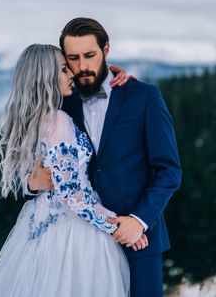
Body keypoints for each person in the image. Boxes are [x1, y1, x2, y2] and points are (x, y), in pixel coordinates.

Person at [28, 18, 182, 297]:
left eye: (90, 55)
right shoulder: (61, 102)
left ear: (106, 49)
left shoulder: (144, 96)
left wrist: (139, 220)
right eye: (73, 58)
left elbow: (169, 171)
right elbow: (25, 157)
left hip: (138, 239)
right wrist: (30, 181)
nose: (83, 66)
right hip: (78, 244)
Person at [0, 44, 146, 297]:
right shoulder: (58, 120)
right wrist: (114, 225)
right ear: (46, 76)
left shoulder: (31, 119)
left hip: (37, 226)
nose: (71, 75)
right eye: (64, 69)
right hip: (73, 230)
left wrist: (112, 74)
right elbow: (70, 192)